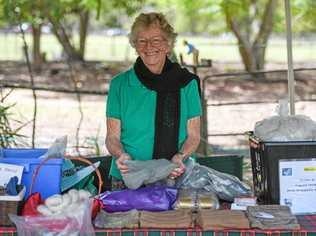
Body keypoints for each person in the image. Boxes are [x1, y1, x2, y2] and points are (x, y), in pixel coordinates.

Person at [105, 12, 202, 190]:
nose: (149, 46)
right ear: (135, 45)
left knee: (172, 220)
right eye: (142, 41)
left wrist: (180, 156)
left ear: (168, 44)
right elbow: (112, 137)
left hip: (173, 176)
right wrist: (120, 155)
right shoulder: (119, 85)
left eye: (156, 40)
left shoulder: (187, 84)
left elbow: (194, 136)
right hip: (127, 179)